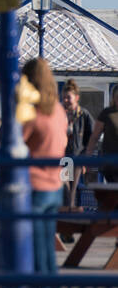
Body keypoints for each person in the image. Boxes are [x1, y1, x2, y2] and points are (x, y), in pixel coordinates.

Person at [21, 58, 68, 273]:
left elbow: (16, 142)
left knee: (37, 250)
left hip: (34, 183)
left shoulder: (33, 112)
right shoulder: (58, 110)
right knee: (47, 246)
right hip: (54, 184)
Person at [61, 79, 94, 209]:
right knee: (65, 186)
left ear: (76, 98)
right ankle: (67, 211)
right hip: (64, 156)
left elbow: (90, 136)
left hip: (77, 156)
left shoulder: (83, 114)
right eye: (64, 98)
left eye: (68, 97)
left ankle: (71, 210)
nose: (66, 101)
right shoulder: (60, 113)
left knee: (73, 188)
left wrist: (86, 157)